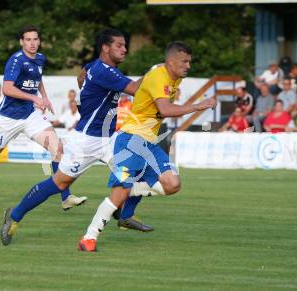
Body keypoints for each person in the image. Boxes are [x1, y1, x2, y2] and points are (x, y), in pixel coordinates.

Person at [0, 28, 145, 246]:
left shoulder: (93, 67)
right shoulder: (106, 72)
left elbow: (82, 76)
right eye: (119, 45)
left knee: (137, 167)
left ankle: (124, 216)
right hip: (86, 140)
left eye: (125, 45)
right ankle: (15, 215)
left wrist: (89, 98)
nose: (125, 49)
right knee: (58, 183)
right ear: (106, 48)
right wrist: (156, 72)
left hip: (110, 138)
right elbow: (136, 89)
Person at [77, 41, 216, 252]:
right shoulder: (159, 77)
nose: (188, 65)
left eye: (189, 61)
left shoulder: (173, 78)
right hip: (131, 140)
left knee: (172, 184)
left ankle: (129, 190)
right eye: (184, 61)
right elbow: (165, 109)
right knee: (118, 195)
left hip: (148, 142)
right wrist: (198, 106)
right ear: (170, 61)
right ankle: (89, 237)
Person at [0, 25, 85, 211]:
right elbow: (7, 89)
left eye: (35, 39)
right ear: (21, 41)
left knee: (57, 148)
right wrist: (34, 97)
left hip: (30, 115)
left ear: (39, 41)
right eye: (28, 39)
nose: (32, 43)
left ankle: (65, 198)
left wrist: (44, 96)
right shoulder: (16, 60)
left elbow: (38, 78)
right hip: (8, 118)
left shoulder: (40, 59)